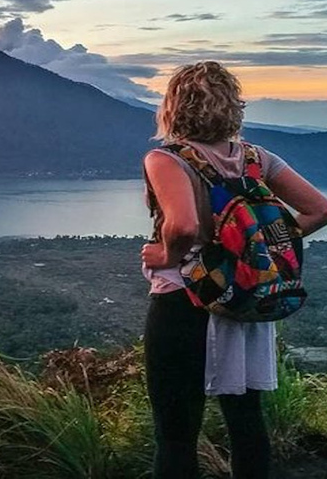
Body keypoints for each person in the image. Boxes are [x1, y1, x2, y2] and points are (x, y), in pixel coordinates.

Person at [140, 61, 327, 478]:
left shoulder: (167, 159)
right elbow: (320, 209)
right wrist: (257, 250)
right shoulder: (256, 158)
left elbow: (184, 225)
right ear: (233, 105)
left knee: (175, 433)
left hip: (186, 300)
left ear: (174, 106)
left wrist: (166, 256)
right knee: (246, 421)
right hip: (246, 299)